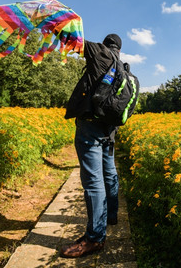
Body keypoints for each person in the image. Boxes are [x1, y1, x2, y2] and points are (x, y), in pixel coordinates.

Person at [60, 34, 122, 258]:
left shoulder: (100, 52)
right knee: (110, 171)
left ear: (106, 44)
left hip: (91, 128)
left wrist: (57, 22)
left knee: (93, 182)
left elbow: (72, 40)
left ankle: (95, 238)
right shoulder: (121, 65)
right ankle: (111, 216)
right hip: (110, 129)